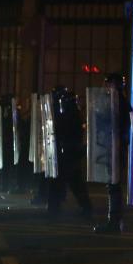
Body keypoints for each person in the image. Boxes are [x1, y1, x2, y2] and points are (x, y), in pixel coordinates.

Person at [93, 73, 133, 234]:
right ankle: (114, 221)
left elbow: (121, 127)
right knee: (113, 185)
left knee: (114, 186)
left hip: (115, 148)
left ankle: (114, 222)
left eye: (108, 84)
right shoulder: (119, 102)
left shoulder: (118, 103)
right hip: (114, 147)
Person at [46, 87, 93, 217]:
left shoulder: (70, 114)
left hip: (68, 151)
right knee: (73, 181)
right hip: (70, 151)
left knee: (67, 180)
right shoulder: (73, 113)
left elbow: (65, 130)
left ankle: (54, 207)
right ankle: (84, 206)